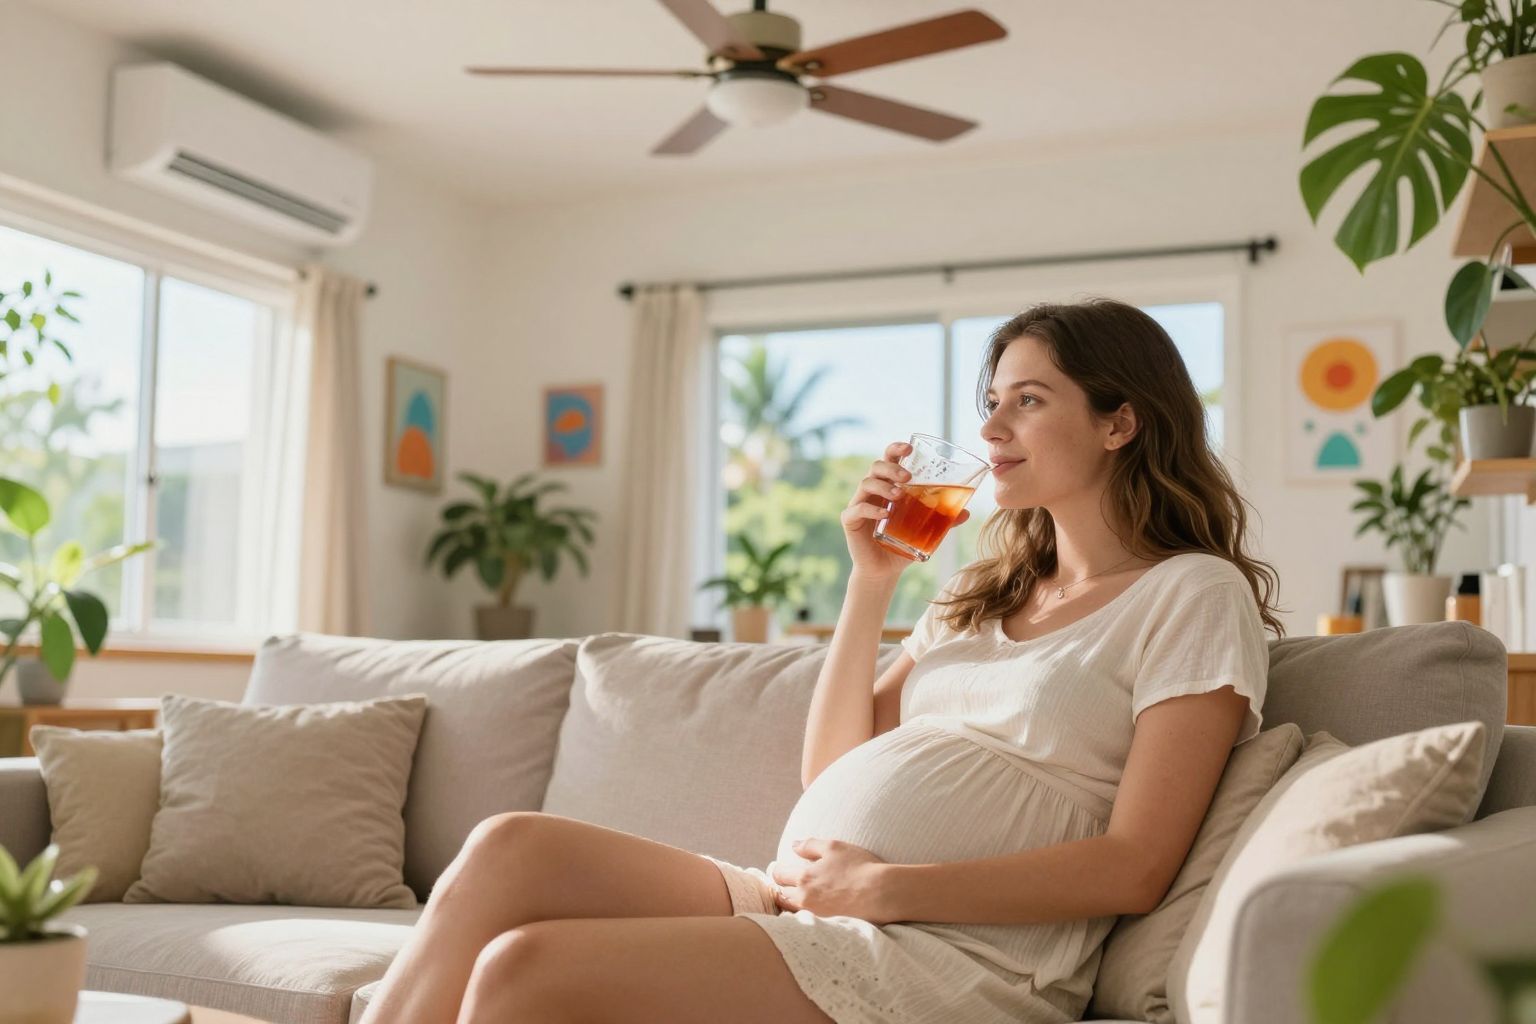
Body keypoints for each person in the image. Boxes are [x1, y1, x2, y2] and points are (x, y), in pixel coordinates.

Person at [358, 297, 1283, 1024]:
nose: (994, 426)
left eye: (1029, 401)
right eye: (990, 401)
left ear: (1120, 423)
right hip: (807, 901)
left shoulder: (1191, 595)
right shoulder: (982, 595)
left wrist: (886, 888)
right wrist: (870, 581)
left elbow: (1134, 867)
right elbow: (831, 771)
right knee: (507, 849)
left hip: (960, 955)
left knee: (527, 971)